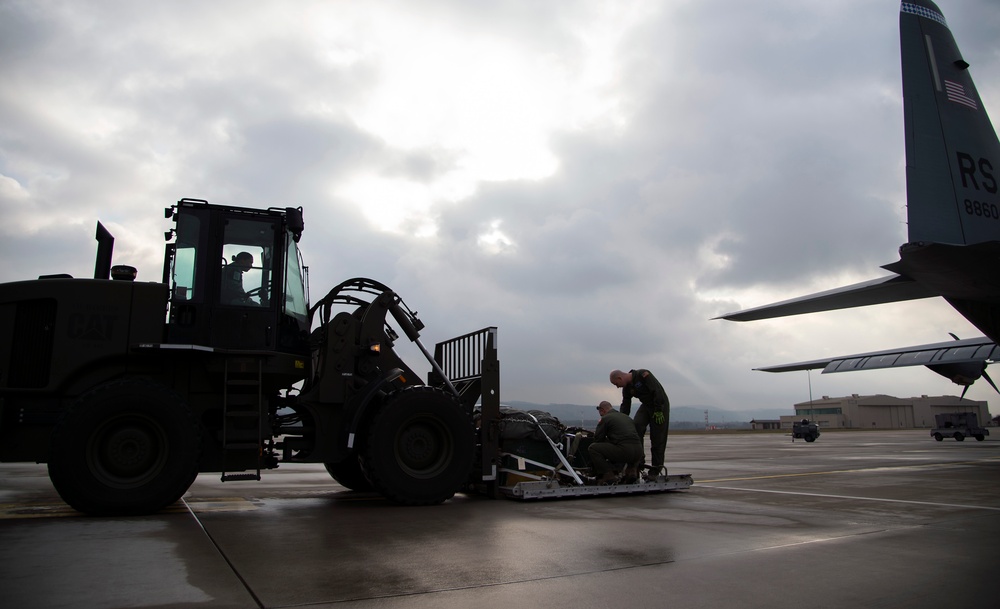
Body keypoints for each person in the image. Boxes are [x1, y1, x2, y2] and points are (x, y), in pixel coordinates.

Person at [610, 368, 670, 476]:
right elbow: (626, 405)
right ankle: (638, 462)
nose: (617, 386)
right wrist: (621, 420)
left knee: (657, 439)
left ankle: (656, 469)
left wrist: (658, 410)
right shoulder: (627, 388)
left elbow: (657, 391)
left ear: (620, 378)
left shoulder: (643, 375)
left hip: (659, 405)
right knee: (636, 427)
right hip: (646, 405)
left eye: (616, 384)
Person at [588, 401, 644, 485]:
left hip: (625, 451)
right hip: (639, 451)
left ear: (602, 410)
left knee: (593, 448)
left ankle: (608, 475)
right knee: (628, 448)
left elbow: (598, 439)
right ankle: (631, 471)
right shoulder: (626, 417)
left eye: (601, 413)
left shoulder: (606, 418)